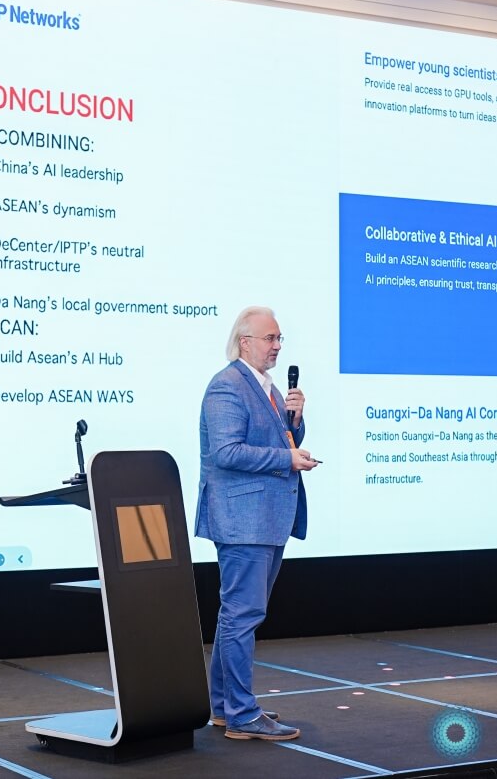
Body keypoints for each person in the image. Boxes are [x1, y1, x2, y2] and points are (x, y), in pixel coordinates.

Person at [196, 305, 318, 741]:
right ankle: (243, 715)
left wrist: (295, 422)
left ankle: (225, 707)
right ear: (244, 342)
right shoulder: (227, 386)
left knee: (238, 615)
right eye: (270, 338)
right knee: (242, 615)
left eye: (279, 338)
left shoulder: (266, 388)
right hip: (243, 520)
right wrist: (287, 458)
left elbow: (281, 440)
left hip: (264, 518)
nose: (277, 345)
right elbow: (226, 452)